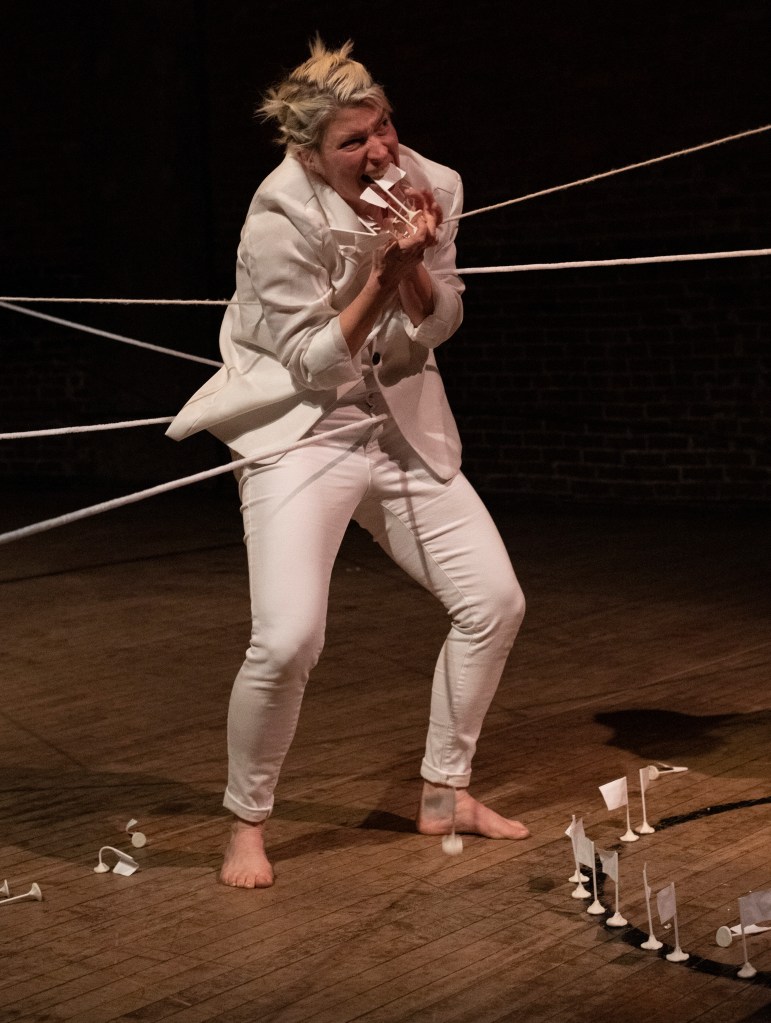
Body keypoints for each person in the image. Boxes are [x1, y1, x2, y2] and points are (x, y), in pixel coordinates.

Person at [167, 37, 528, 888]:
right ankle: (246, 823)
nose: (379, 151)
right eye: (351, 141)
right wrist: (382, 272)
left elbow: (440, 323)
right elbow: (312, 365)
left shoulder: (433, 184)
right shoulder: (275, 219)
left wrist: (413, 273)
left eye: (383, 127)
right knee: (288, 637)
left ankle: (443, 791)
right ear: (306, 152)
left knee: (493, 601)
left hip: (397, 421)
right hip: (301, 430)